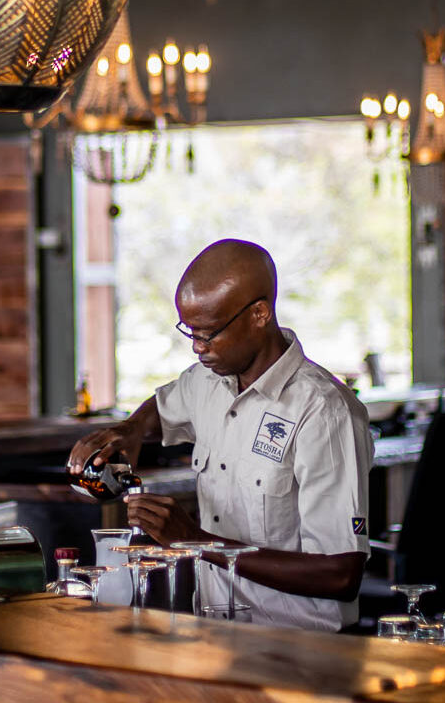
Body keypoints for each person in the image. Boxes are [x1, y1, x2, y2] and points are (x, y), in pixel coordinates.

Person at [68, 239, 372, 632]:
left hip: (298, 646)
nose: (197, 347)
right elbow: (162, 407)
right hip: (215, 632)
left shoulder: (325, 412)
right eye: (189, 332)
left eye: (209, 333)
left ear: (259, 314)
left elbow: (341, 575)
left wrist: (195, 540)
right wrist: (131, 430)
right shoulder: (208, 382)